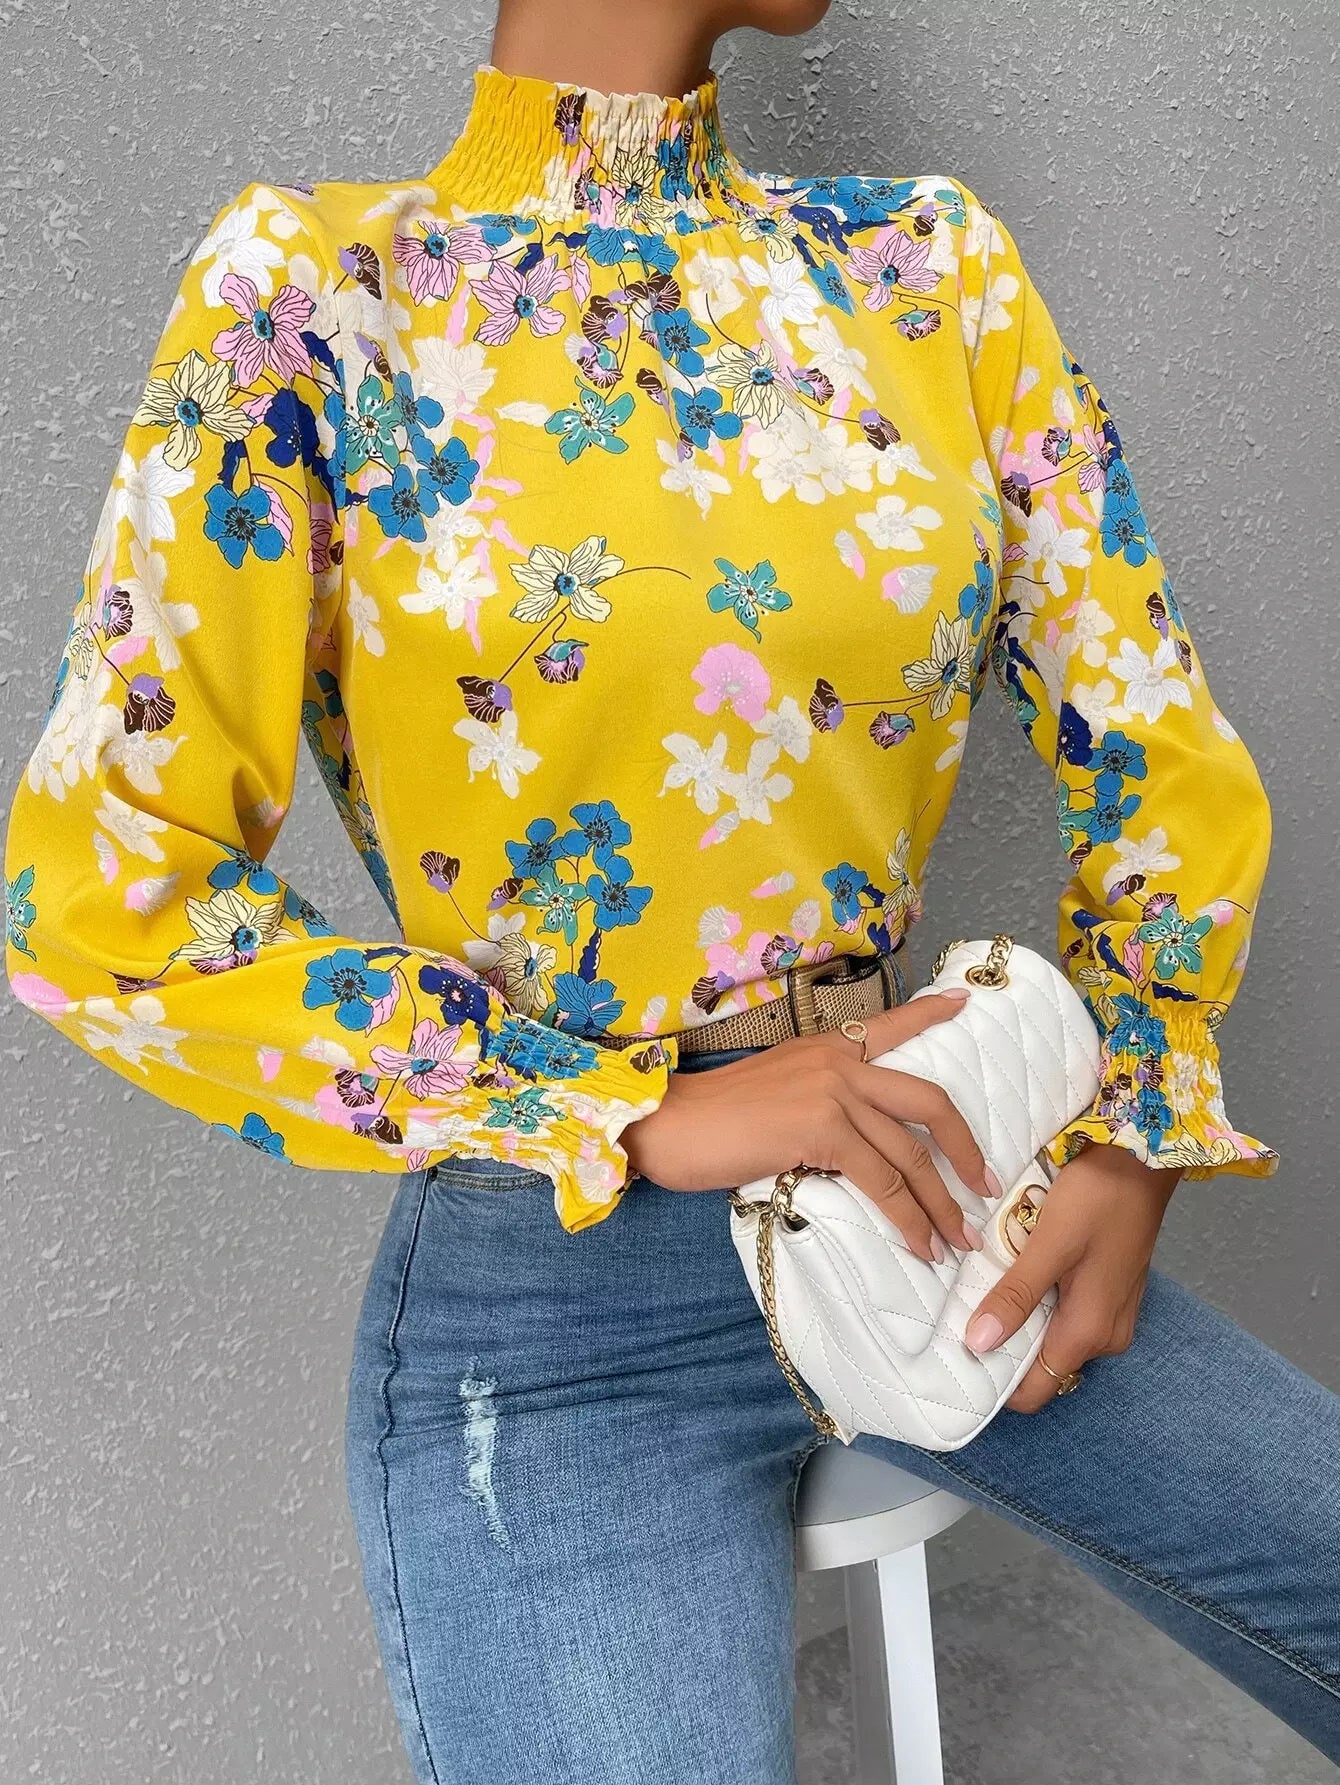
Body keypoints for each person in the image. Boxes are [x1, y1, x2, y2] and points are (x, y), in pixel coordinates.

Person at [3, 0, 1336, 1778]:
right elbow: (102, 884)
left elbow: (1153, 736)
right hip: (554, 1302)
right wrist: (620, 1108)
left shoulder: (928, 271)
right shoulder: (315, 293)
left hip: (937, 1193)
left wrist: (1133, 1124)